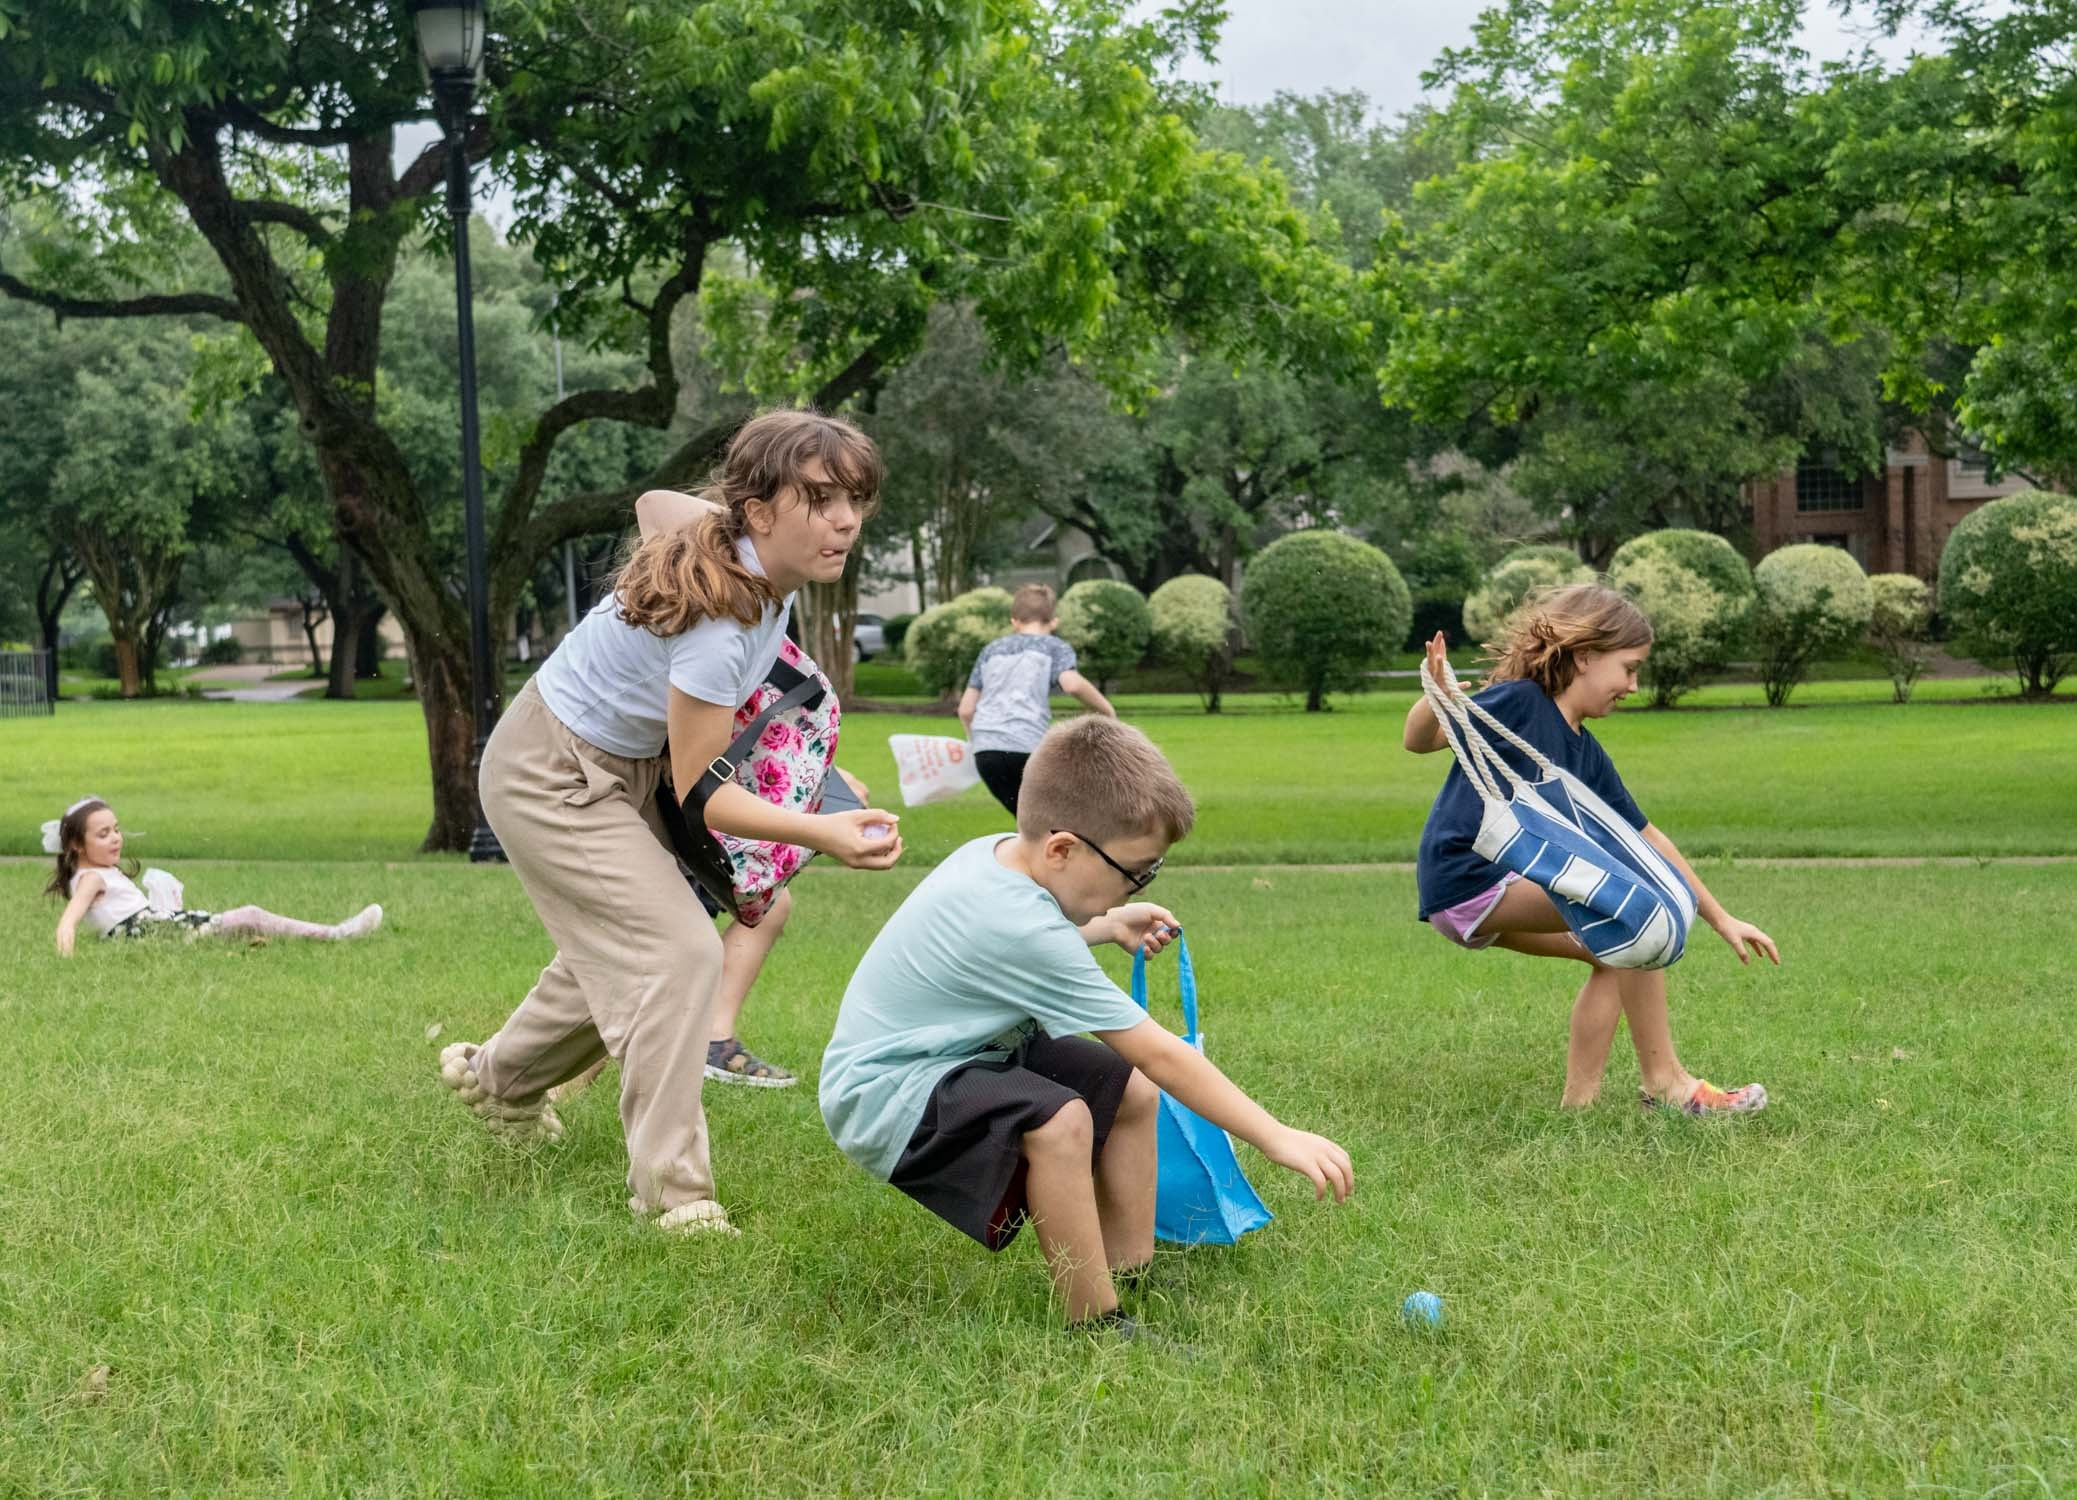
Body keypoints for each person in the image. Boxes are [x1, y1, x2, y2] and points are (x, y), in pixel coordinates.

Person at [438, 409, 905, 1238]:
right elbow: (707, 795)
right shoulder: (720, 626)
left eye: (856, 500)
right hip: (553, 772)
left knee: (631, 941)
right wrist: (822, 830)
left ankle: (501, 1082)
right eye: (823, 498)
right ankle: (676, 1198)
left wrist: (818, 781)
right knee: (680, 947)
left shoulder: (745, 560)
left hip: (627, 761)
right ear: (760, 511)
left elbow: (656, 503)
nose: (846, 522)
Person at [820, 716, 1353, 1337]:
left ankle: (1130, 1272)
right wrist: (1274, 1135)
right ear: (1063, 849)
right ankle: (1094, 1323)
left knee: (1129, 1090)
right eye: (1135, 870)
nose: (1139, 883)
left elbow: (1027, 950)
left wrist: (1105, 924)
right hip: (886, 1092)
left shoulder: (1002, 855)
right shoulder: (1019, 923)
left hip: (959, 1054)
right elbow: (1160, 1051)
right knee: (1061, 1120)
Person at [1405, 584, 1778, 1114]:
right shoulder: (1521, 705)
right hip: (1470, 881)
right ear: (1585, 657)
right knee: (1630, 918)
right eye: (1628, 668)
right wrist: (1435, 697)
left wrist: (1721, 918)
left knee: (1615, 952)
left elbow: (1648, 837)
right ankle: (1668, 1085)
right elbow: (1419, 741)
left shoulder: (1585, 750)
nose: (1633, 684)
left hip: (1479, 892)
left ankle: (1581, 1108)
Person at [46, 797, 382, 956]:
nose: (116, 838)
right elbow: (68, 922)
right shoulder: (91, 879)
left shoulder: (98, 873)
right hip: (152, 933)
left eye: (116, 830)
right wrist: (67, 958)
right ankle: (335, 935)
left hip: (153, 930)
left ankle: (317, 936)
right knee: (250, 915)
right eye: (103, 834)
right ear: (77, 844)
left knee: (235, 924)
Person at [958, 583, 1115, 816]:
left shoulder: (991, 650)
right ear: (1053, 621)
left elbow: (966, 710)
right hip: (1027, 747)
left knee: (1029, 822)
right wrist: (1107, 711)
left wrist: (976, 743)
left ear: (1014, 621)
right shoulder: (1055, 647)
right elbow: (1071, 683)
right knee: (1058, 818)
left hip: (986, 752)